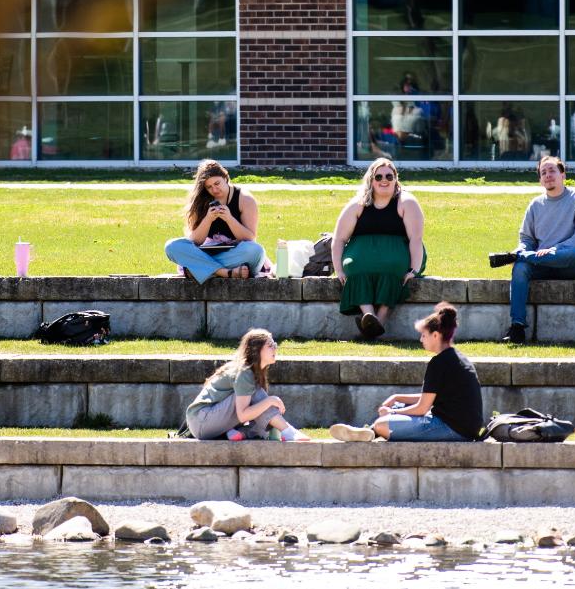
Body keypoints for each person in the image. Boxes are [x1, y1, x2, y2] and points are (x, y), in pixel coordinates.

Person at [327, 302, 483, 442]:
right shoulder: (456, 358)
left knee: (384, 423)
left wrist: (392, 414)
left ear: (435, 335)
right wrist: (397, 398)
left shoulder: (439, 362)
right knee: (397, 406)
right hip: (464, 427)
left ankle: (372, 430)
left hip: (453, 429)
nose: (421, 340)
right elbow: (431, 398)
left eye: (424, 335)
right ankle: (370, 432)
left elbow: (422, 408)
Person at [489, 154, 575, 342]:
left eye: (552, 170)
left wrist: (553, 250)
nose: (547, 175)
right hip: (542, 263)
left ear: (563, 175)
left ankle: (519, 257)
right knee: (520, 268)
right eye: (543, 172)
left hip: (571, 264)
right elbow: (526, 239)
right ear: (540, 180)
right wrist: (525, 250)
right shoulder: (535, 205)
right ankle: (517, 327)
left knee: (574, 253)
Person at [331, 157, 426, 339]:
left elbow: (416, 239)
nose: (384, 180)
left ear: (396, 179)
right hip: (361, 255)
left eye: (389, 176)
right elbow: (339, 239)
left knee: (393, 269)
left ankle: (376, 321)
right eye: (379, 176)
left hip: (398, 254)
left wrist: (414, 269)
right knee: (356, 268)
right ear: (371, 180)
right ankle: (371, 318)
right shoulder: (358, 204)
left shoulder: (406, 202)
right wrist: (339, 269)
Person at [183, 328, 307, 441]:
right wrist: (271, 400)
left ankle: (241, 433)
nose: (275, 348)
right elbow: (243, 416)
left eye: (275, 344)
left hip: (209, 423)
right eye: (270, 345)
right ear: (256, 350)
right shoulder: (244, 372)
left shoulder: (251, 373)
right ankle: (287, 431)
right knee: (257, 395)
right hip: (202, 421)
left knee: (260, 413)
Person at [163, 159, 266, 282]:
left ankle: (199, 269)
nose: (215, 190)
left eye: (217, 183)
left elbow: (250, 238)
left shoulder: (245, 199)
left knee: (256, 251)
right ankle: (224, 272)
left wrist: (229, 219)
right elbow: (195, 241)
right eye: (209, 187)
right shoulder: (201, 200)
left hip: (236, 254)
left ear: (225, 178)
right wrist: (208, 219)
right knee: (171, 246)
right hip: (210, 252)